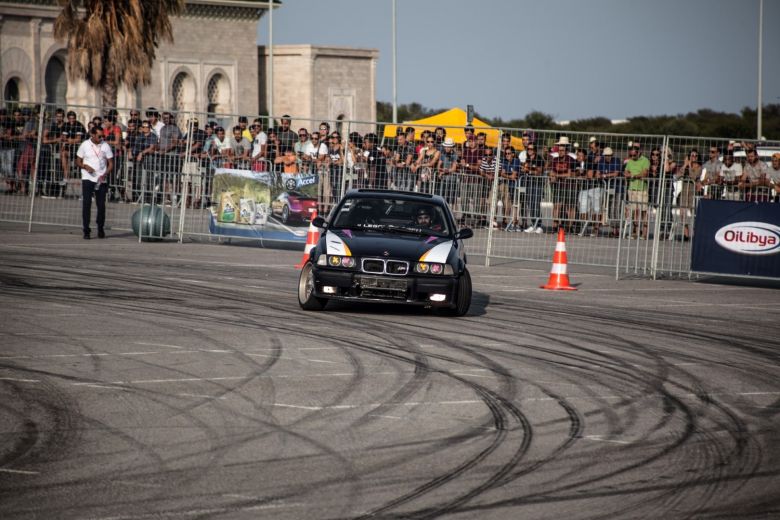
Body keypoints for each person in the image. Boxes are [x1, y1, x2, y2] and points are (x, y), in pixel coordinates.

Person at [75, 126, 113, 239]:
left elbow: (111, 163)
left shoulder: (105, 146)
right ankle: (86, 229)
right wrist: (85, 166)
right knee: (87, 204)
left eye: (102, 136)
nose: (101, 138)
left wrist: (105, 174)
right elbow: (78, 160)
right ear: (92, 134)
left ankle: (100, 228)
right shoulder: (85, 145)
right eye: (99, 136)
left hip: (101, 178)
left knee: (101, 205)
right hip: (88, 177)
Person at [623, 142, 650, 239]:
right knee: (634, 211)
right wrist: (631, 175)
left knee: (643, 211)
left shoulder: (645, 160)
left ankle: (644, 233)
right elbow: (626, 172)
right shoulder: (630, 161)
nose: (632, 156)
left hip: (642, 189)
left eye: (634, 155)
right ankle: (635, 232)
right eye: (631, 154)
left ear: (639, 152)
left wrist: (633, 175)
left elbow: (644, 173)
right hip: (632, 189)